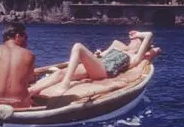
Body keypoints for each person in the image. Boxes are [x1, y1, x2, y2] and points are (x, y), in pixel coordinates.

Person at [28, 30, 159, 97]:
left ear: (141, 45)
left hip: (103, 71)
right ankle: (30, 92)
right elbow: (102, 55)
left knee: (78, 46)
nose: (132, 41)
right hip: (96, 66)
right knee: (60, 73)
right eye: (132, 39)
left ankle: (65, 85)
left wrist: (141, 34)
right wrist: (97, 55)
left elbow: (149, 34)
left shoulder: (134, 57)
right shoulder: (118, 46)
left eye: (137, 40)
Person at [0, 23, 35, 107]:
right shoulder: (29, 55)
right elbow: (30, 79)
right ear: (17, 36)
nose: (26, 41)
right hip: (19, 104)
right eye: (25, 37)